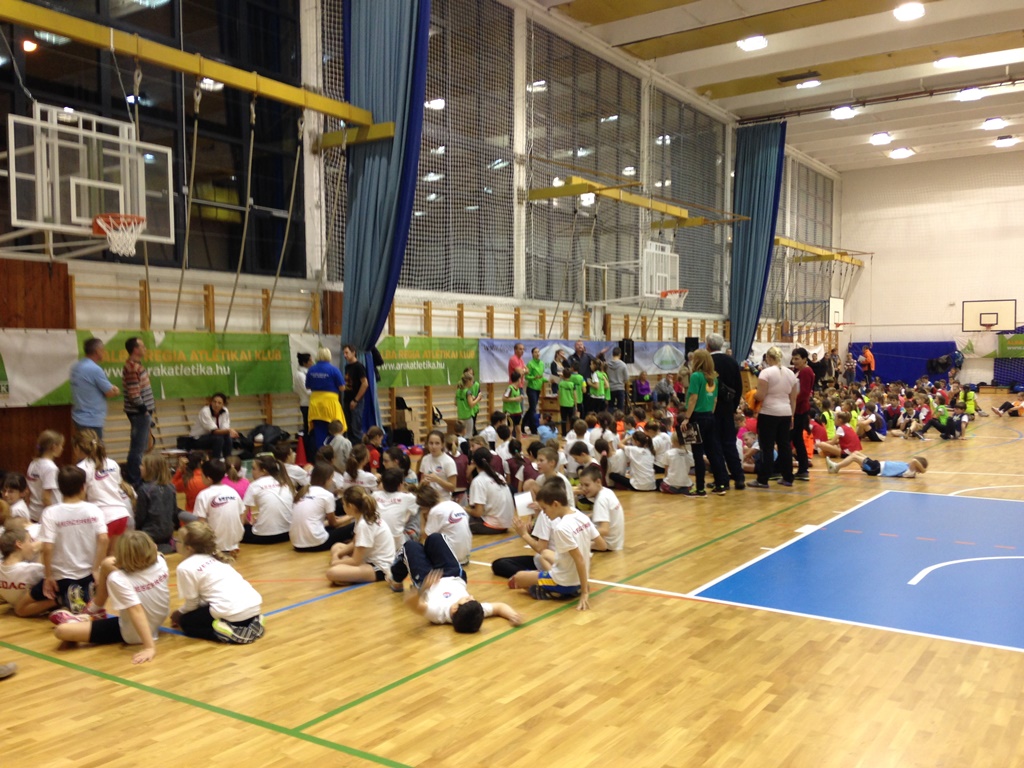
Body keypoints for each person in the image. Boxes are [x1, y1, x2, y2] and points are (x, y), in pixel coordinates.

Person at [49, 531, 169, 665]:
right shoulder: (161, 561)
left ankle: (80, 619)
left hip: (132, 632)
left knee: (61, 631)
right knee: (106, 564)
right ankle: (94, 610)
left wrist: (149, 647)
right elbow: (112, 563)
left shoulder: (118, 579)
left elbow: (136, 610)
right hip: (157, 621)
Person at [507, 477, 604, 609]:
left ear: (555, 504)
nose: (544, 513)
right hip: (578, 578)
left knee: (519, 578)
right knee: (545, 553)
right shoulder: (580, 515)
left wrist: (585, 593)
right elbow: (602, 545)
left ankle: (555, 591)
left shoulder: (561, 528)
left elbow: (579, 559)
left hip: (564, 582)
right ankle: (565, 588)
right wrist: (583, 543)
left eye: (545, 509)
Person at [399, 535, 522, 631]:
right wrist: (513, 615)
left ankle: (395, 577)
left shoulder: (438, 614)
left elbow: (410, 603)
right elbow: (499, 607)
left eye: (467, 599)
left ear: (454, 609)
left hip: (426, 579)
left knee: (411, 546)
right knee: (435, 539)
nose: (471, 596)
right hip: (453, 574)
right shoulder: (474, 611)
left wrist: (424, 587)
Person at [171, 521, 265, 644]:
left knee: (186, 623)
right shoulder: (216, 557)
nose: (175, 542)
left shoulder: (185, 567)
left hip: (233, 613)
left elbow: (192, 604)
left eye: (178, 540)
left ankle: (228, 632)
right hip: (254, 607)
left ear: (188, 547)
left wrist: (178, 614)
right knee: (203, 612)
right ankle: (252, 623)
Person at [680, 349, 730, 497]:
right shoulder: (713, 377)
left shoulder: (696, 376)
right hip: (709, 416)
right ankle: (720, 485)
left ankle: (700, 489)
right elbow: (714, 400)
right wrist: (710, 414)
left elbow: (693, 398)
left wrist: (687, 417)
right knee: (712, 452)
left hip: (697, 417)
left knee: (697, 453)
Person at [73, 429, 130, 555]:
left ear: (77, 448)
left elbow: (80, 497)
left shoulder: (81, 468)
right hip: (122, 514)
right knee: (113, 556)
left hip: (103, 516)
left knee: (99, 557)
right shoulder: (112, 463)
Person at [749, 346, 798, 489]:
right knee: (784, 446)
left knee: (767, 447)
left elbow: (761, 396)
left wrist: (752, 395)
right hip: (786, 412)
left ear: (769, 358)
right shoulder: (791, 373)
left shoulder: (766, 372)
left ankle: (763, 479)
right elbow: (793, 398)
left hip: (769, 412)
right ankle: (788, 477)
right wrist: (792, 416)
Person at [326, 487, 395, 585]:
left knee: (332, 572)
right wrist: (338, 554)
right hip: (367, 558)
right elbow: (355, 543)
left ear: (351, 506)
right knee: (336, 547)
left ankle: (348, 575)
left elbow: (355, 561)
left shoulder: (364, 524)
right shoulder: (362, 517)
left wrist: (335, 562)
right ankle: (349, 574)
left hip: (380, 567)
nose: (343, 506)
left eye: (344, 504)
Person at [705, 333, 745, 490]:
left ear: (708, 345)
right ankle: (739, 477)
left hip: (711, 408)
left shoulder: (708, 362)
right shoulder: (732, 361)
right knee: (729, 443)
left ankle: (722, 479)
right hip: (728, 408)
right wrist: (733, 407)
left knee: (714, 445)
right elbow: (739, 386)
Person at [291, 462, 351, 552]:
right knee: (352, 526)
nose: (332, 481)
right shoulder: (327, 495)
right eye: (332, 478)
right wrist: (351, 516)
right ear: (327, 479)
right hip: (316, 543)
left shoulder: (302, 492)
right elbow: (334, 524)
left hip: (296, 543)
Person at [191, 460, 245, 555]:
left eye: (202, 475)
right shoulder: (232, 491)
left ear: (209, 478)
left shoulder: (203, 495)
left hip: (215, 545)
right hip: (235, 543)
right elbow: (242, 516)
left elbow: (201, 524)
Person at [69, 337, 120, 439]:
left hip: (79, 417)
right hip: (91, 420)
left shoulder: (76, 366)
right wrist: (116, 390)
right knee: (95, 448)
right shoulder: (94, 369)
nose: (104, 353)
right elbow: (110, 392)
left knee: (83, 447)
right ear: (97, 351)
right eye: (103, 350)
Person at [122, 336, 155, 487]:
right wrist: (145, 412)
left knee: (140, 448)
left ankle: (136, 478)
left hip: (142, 413)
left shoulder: (137, 366)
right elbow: (134, 394)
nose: (145, 348)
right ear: (135, 349)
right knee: (137, 449)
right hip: (139, 414)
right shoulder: (132, 368)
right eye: (142, 346)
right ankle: (134, 481)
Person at [1, 524, 53, 617]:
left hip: (14, 604)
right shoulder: (31, 570)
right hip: (33, 608)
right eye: (30, 541)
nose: (32, 545)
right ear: (19, 544)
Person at [242, 456, 295, 544]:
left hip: (265, 537)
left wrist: (249, 524)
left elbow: (242, 517)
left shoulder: (255, 485)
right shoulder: (284, 482)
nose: (251, 472)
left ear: (264, 471)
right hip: (289, 533)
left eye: (253, 468)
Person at [135, 454, 178, 554]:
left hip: (149, 534)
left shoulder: (144, 490)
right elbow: (174, 512)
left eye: (142, 465)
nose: (140, 467)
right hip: (167, 532)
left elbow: (140, 517)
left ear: (150, 469)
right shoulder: (171, 487)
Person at [306, 347, 347, 452]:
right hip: (330, 403)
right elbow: (342, 387)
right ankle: (334, 452)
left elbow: (308, 386)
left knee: (319, 430)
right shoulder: (334, 370)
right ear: (329, 356)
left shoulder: (311, 370)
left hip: (315, 404)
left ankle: (321, 453)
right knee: (336, 429)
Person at [467, 448, 514, 534]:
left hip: (493, 525)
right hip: (506, 524)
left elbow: (478, 512)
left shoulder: (478, 481)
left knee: (460, 519)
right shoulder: (499, 476)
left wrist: (465, 509)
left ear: (474, 462)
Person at [577, 465, 624, 551]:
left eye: (586, 485)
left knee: (572, 542)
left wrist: (581, 534)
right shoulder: (607, 491)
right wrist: (588, 516)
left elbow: (604, 530)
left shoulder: (600, 500)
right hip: (617, 541)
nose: (583, 488)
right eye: (581, 485)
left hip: (608, 544)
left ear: (598, 482)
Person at [26, 430, 64, 523]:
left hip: (33, 512)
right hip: (46, 515)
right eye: (61, 445)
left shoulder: (33, 463)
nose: (62, 449)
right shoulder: (51, 468)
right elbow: (46, 498)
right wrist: (54, 518)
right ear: (54, 447)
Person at [790, 348, 815, 481]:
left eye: (797, 359)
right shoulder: (800, 371)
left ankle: (803, 469)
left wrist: (791, 401)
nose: (794, 361)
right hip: (798, 408)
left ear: (805, 359)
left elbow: (804, 393)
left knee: (796, 438)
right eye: (793, 358)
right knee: (796, 439)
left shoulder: (806, 371)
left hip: (800, 409)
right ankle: (802, 469)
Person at [190, 393, 238, 460]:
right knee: (218, 438)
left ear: (223, 404)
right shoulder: (205, 411)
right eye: (214, 402)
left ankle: (228, 460)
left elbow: (224, 428)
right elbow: (214, 431)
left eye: (219, 403)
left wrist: (230, 432)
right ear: (211, 402)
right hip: (197, 439)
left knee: (227, 436)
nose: (216, 405)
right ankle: (216, 461)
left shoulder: (225, 411)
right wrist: (229, 431)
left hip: (212, 438)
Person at [418, 430, 458, 501]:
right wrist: (424, 483)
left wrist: (437, 479)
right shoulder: (425, 459)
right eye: (431, 443)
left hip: (443, 500)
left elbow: (452, 488)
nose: (433, 446)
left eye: (437, 443)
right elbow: (421, 483)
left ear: (442, 445)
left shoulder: (449, 462)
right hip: (428, 499)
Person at [342, 344, 369, 443]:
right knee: (348, 427)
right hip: (347, 399)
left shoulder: (359, 366)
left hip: (356, 401)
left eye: (347, 353)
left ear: (353, 353)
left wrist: (356, 400)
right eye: (344, 353)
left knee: (356, 428)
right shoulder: (347, 367)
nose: (345, 355)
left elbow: (365, 384)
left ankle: (359, 448)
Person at [826, 452, 928, 478]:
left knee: (854, 457)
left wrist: (923, 470)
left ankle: (835, 467)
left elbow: (914, 461)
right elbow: (914, 461)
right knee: (856, 453)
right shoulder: (907, 466)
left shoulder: (910, 472)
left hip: (876, 469)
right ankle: (836, 467)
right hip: (877, 464)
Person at [294, 352, 314, 462]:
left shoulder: (305, 373)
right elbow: (307, 391)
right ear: (305, 363)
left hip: (309, 404)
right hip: (306, 405)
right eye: (310, 360)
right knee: (308, 430)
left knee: (310, 430)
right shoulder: (300, 375)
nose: (312, 362)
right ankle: (309, 455)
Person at [524, 347, 546, 436]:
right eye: (535, 352)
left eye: (538, 352)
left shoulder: (542, 363)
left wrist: (549, 380)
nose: (537, 353)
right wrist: (534, 377)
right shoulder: (530, 364)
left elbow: (541, 377)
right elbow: (526, 377)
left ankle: (523, 424)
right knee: (533, 409)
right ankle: (533, 429)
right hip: (531, 388)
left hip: (538, 389)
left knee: (531, 408)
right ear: (532, 354)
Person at [503, 371, 525, 438]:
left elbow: (517, 399)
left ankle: (518, 444)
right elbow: (504, 398)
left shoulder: (518, 389)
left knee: (518, 430)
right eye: (520, 378)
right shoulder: (510, 388)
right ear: (518, 379)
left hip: (517, 411)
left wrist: (520, 398)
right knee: (510, 429)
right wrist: (516, 399)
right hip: (510, 412)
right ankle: (509, 443)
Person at [606, 347, 629, 413]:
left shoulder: (607, 365)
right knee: (620, 408)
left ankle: (611, 418)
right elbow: (626, 378)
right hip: (620, 388)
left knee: (610, 407)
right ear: (620, 354)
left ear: (612, 354)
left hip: (610, 388)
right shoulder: (623, 365)